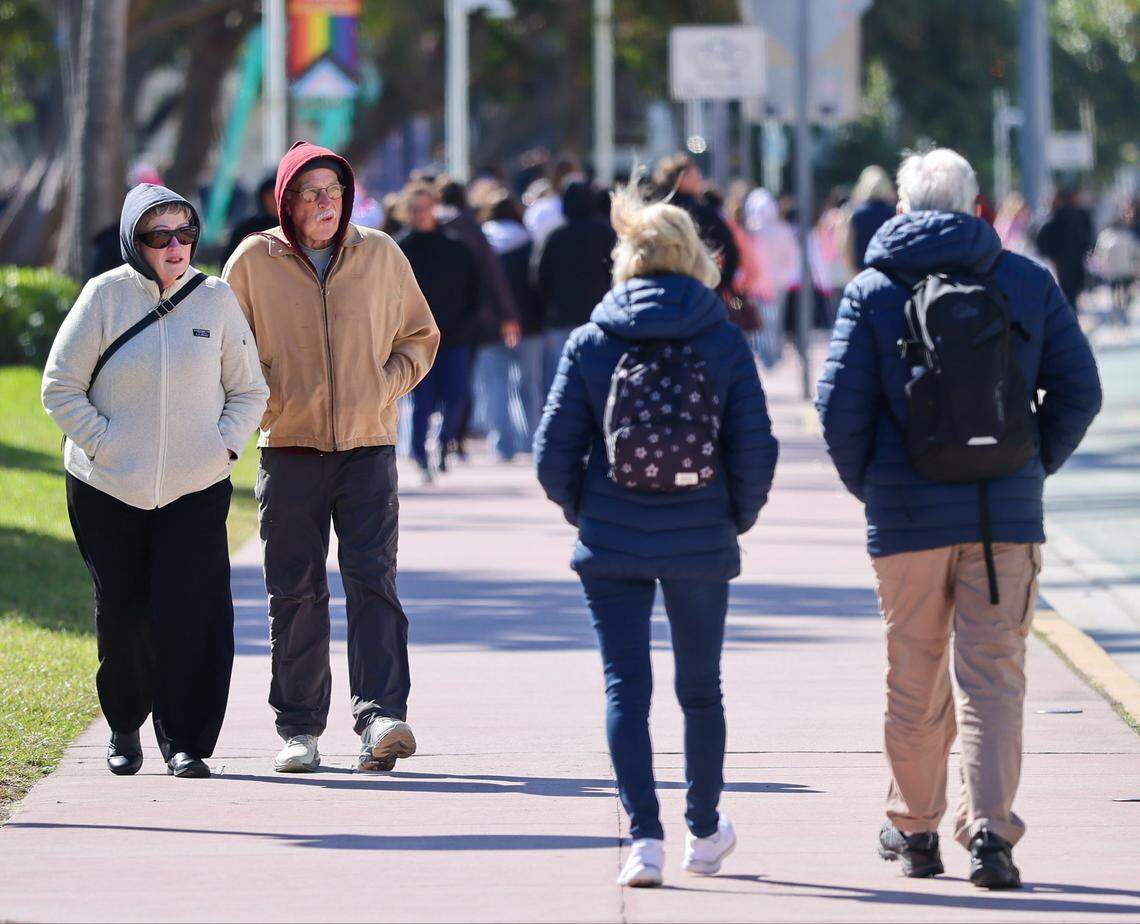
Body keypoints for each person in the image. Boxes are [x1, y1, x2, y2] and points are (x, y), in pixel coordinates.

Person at [816, 149, 1102, 889]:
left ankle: (915, 830)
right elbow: (1079, 391)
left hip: (906, 519)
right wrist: (1031, 469)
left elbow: (838, 412)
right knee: (994, 679)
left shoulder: (873, 290)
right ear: (978, 207)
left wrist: (876, 487)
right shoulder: (1026, 281)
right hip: (1003, 516)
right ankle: (992, 837)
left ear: (905, 210)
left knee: (913, 673)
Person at [534, 175, 779, 888]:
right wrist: (733, 517)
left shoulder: (592, 339)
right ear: (694, 256)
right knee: (700, 690)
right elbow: (755, 450)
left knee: (624, 689)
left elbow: (553, 456)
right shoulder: (723, 339)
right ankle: (703, 833)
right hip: (701, 535)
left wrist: (590, 510)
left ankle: (643, 838)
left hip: (612, 537)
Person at [223, 141, 440, 774]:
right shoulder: (252, 262)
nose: (326, 203)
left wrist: (384, 384)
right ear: (285, 201)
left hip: (368, 447)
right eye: (311, 192)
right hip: (289, 448)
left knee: (373, 580)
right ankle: (299, 729)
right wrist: (267, 402)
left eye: (335, 192)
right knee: (294, 589)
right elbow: (228, 353)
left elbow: (420, 335)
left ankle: (380, 719)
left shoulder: (380, 254)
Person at [42, 183, 268, 779]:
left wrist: (222, 443)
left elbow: (249, 389)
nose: (175, 247)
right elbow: (58, 387)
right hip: (106, 486)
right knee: (124, 613)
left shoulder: (215, 299)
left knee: (194, 612)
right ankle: (124, 723)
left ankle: (186, 741)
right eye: (158, 236)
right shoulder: (104, 296)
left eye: (185, 235)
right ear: (133, 242)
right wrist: (105, 443)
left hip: (195, 485)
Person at [396, 182, 482, 480]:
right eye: (415, 209)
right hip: (416, 338)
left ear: (435, 207)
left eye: (426, 208)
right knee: (422, 399)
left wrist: (470, 322)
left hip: (454, 334)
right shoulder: (399, 249)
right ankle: (420, 454)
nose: (421, 214)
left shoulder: (456, 248)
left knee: (457, 395)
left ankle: (447, 441)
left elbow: (475, 287)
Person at [534, 179, 616, 394]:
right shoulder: (606, 233)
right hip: (600, 317)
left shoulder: (556, 237)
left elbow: (540, 277)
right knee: (600, 382)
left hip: (563, 317)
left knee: (562, 382)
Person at [479, 191, 545, 459]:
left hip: (491, 328)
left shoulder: (483, 244)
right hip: (529, 325)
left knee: (495, 385)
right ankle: (529, 441)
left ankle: (501, 444)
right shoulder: (529, 243)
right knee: (529, 386)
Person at [652, 153, 740, 305]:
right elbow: (729, 252)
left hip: (660, 294)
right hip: (700, 295)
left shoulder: (653, 213)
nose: (700, 179)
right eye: (695, 174)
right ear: (681, 178)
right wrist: (718, 284)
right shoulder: (700, 213)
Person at [1035, 186, 1094, 308]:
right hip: (1076, 258)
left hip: (1060, 260)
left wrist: (1050, 254)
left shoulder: (1054, 216)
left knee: (1065, 289)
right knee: (1073, 290)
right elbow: (1087, 236)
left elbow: (1042, 238)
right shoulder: (1081, 215)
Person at [1091, 205, 1140, 326]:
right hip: (1121, 269)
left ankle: (1120, 309)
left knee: (1121, 291)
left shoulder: (1107, 237)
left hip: (1116, 270)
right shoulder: (1125, 235)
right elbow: (1136, 251)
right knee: (1120, 291)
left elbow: (1099, 253)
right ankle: (1120, 309)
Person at [843, 165, 896, 273]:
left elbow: (847, 246)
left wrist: (852, 272)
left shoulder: (855, 213)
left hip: (861, 271)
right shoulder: (891, 213)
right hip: (886, 272)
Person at [225, 172, 278, 264]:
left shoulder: (292, 229)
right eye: (270, 196)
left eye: (277, 196)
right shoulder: (247, 228)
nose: (274, 201)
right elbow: (230, 260)